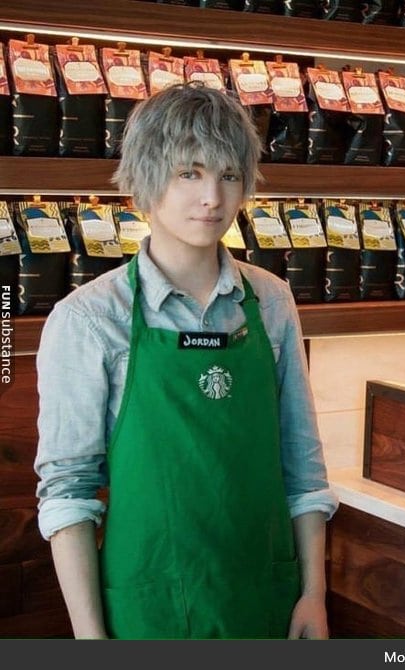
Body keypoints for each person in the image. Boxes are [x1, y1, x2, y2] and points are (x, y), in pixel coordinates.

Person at [34, 83, 339, 640]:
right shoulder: (88, 318)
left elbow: (303, 465)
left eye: (228, 175)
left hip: (266, 595)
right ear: (147, 182)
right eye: (189, 173)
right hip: (147, 603)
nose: (212, 198)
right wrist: (89, 638)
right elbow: (68, 492)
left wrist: (313, 594)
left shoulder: (271, 300)